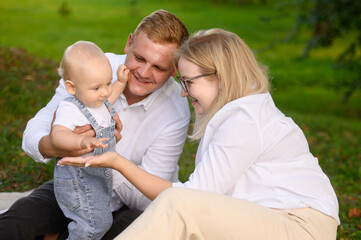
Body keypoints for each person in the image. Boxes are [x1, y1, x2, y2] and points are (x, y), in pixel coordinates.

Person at [59, 28, 340, 240]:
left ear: (220, 77)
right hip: (269, 219)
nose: (183, 91)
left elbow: (191, 198)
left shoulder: (246, 117)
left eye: (188, 82)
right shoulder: (235, 113)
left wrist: (117, 161)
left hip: (299, 227)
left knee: (177, 205)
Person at [0, 9, 190, 240]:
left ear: (175, 69)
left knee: (116, 234)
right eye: (139, 58)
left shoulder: (175, 110)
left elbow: (147, 196)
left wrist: (106, 159)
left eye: (159, 67)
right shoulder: (91, 67)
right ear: (129, 43)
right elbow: (32, 135)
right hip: (76, 185)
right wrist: (65, 145)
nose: (143, 72)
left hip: (133, 204)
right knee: (17, 222)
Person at [51, 40, 129, 240]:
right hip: (78, 180)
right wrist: (80, 142)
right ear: (71, 87)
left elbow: (107, 100)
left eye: (108, 84)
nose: (105, 92)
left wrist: (120, 82)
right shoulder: (70, 108)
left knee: (100, 221)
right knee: (93, 225)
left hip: (98, 178)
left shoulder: (97, 102)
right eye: (97, 88)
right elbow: (57, 134)